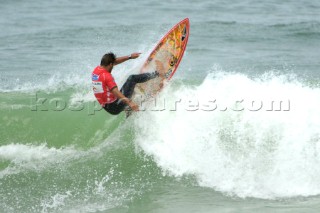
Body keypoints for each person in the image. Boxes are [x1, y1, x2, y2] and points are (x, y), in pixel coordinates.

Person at [92, 52, 164, 115]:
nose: (113, 66)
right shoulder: (107, 76)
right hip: (115, 106)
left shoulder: (96, 71)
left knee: (129, 88)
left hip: (107, 106)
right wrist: (130, 103)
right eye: (113, 65)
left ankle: (128, 109)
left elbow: (114, 61)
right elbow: (115, 91)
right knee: (132, 78)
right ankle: (157, 73)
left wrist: (130, 57)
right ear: (111, 64)